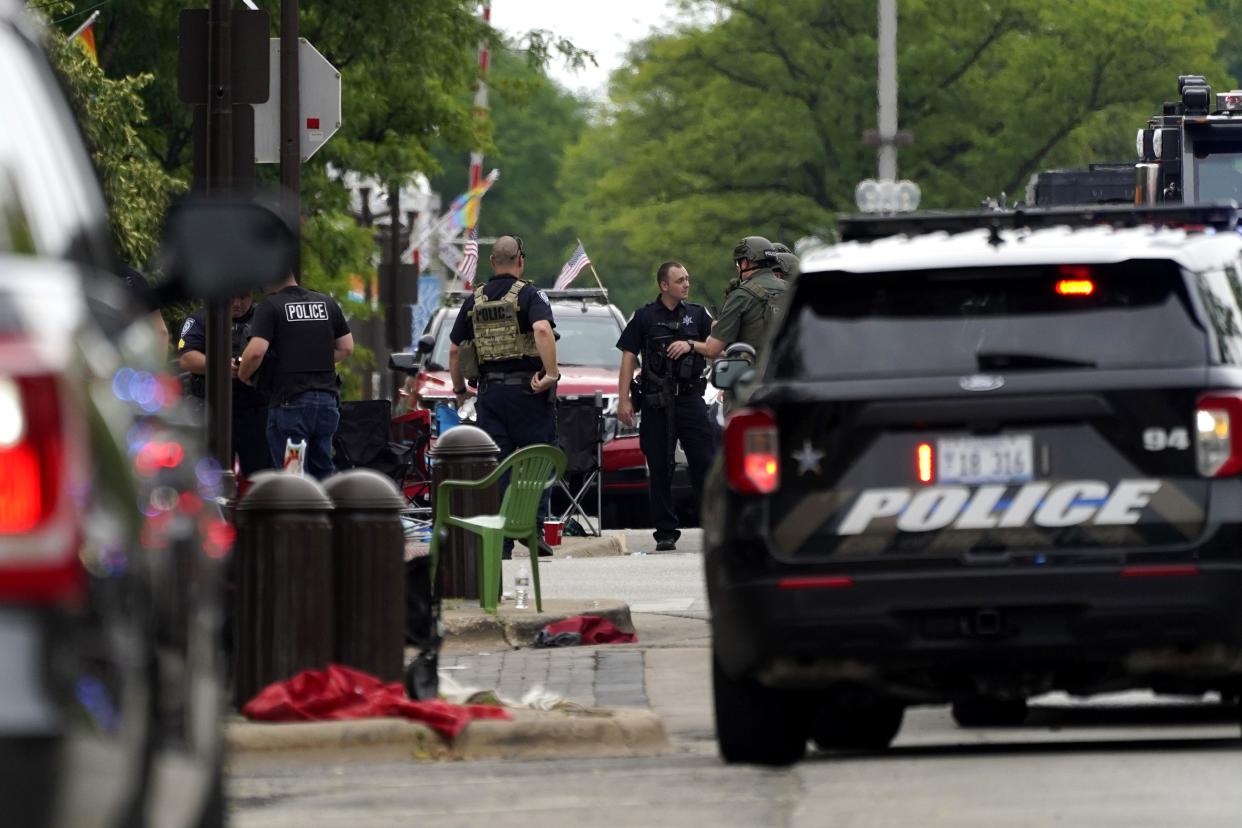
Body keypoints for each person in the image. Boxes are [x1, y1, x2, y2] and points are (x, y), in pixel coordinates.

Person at [448, 235, 559, 557]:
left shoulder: (474, 300)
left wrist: (459, 392)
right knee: (539, 458)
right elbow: (541, 330)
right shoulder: (529, 294)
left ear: (491, 262)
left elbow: (455, 351)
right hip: (529, 391)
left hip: (490, 394)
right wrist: (550, 374)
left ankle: (502, 542)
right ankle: (533, 528)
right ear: (520, 260)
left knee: (499, 466)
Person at [616, 261, 716, 551]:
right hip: (656, 402)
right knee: (660, 466)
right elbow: (628, 357)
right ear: (664, 286)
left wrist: (690, 344)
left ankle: (714, 524)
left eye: (687, 278)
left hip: (689, 398)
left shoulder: (698, 314)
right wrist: (623, 400)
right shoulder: (645, 317)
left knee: (705, 462)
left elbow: (716, 346)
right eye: (680, 280)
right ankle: (665, 531)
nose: (686, 284)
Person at [238, 274, 353, 480]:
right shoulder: (326, 302)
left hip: (291, 404)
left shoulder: (271, 306)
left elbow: (256, 352)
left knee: (293, 475)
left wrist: (243, 374)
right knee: (323, 473)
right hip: (327, 404)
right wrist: (315, 358)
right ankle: (325, 512)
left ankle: (297, 512)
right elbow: (346, 347)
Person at [177, 293, 274, 477]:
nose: (237, 303)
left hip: (256, 410)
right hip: (213, 410)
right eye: (232, 297)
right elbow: (186, 359)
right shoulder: (202, 317)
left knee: (261, 477)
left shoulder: (265, 316)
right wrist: (220, 365)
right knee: (212, 476)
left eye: (243, 297)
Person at [702, 235, 789, 361]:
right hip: (793, 372)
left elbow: (712, 349)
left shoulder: (741, 295)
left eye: (738, 263)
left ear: (745, 262)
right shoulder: (792, 289)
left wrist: (712, 331)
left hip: (754, 375)